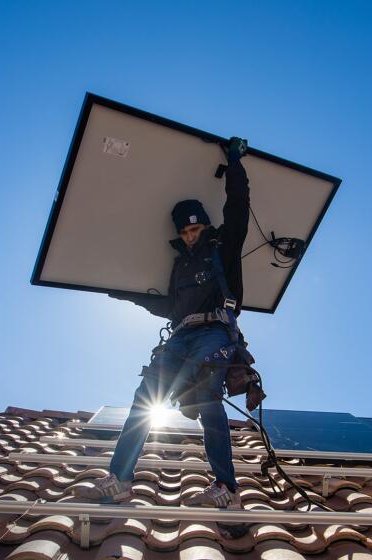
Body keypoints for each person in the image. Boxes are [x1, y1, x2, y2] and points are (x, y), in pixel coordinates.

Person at [79, 137, 250, 510]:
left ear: (205, 226)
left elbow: (238, 206)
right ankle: (120, 480)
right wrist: (121, 292)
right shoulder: (180, 266)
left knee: (207, 396)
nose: (191, 236)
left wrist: (234, 161)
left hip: (215, 331)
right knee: (145, 397)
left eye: (197, 229)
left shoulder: (224, 248)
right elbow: (169, 306)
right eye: (186, 232)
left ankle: (226, 488)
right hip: (180, 335)